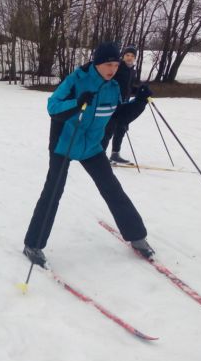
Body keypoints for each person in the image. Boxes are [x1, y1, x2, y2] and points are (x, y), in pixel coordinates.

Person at [23, 41, 154, 267]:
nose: (112, 69)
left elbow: (118, 116)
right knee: (53, 191)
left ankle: (137, 236)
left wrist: (139, 102)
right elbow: (52, 107)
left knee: (112, 188)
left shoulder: (113, 86)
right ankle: (32, 244)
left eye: (115, 64)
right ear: (96, 63)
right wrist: (77, 102)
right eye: (108, 64)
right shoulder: (77, 79)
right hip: (64, 144)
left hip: (92, 147)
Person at [102, 46, 148, 164]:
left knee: (121, 129)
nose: (130, 58)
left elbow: (128, 87)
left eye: (132, 56)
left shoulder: (132, 70)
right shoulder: (117, 68)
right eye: (127, 55)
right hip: (113, 103)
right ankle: (101, 155)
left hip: (125, 103)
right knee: (109, 130)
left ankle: (115, 154)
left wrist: (140, 91)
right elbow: (107, 81)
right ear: (123, 56)